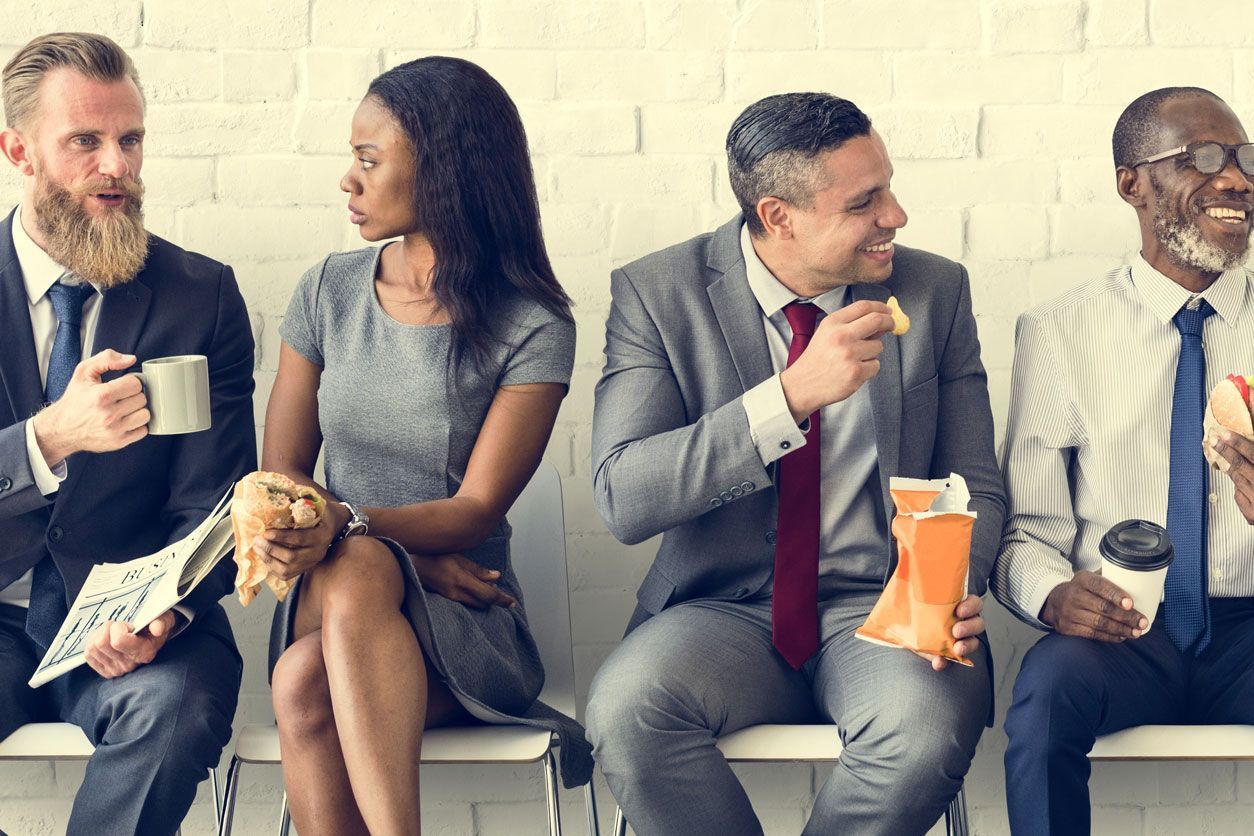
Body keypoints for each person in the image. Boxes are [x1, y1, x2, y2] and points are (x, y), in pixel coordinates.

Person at [585, 92, 1006, 836]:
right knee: (626, 712)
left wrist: (950, 585)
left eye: (890, 187)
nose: (896, 217)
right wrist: (789, 397)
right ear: (778, 216)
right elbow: (625, 494)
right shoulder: (658, 293)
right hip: (719, 611)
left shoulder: (935, 291)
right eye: (864, 202)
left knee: (920, 732)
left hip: (885, 608)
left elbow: (978, 482)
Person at [254, 56, 591, 835]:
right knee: (359, 569)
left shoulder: (533, 324)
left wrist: (355, 531)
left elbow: (475, 510)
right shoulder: (327, 291)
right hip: (330, 586)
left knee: (304, 683)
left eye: (369, 160)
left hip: (466, 610)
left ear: (441, 170)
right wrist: (374, 548)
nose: (348, 179)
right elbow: (281, 477)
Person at [0, 32, 256, 835]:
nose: (117, 166)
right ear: (18, 150)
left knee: (174, 711)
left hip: (131, 625)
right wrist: (47, 439)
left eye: (130, 139)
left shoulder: (199, 296)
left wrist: (161, 614)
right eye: (85, 141)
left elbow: (214, 508)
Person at [993, 86, 1254, 835]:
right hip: (1121, 634)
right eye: (1203, 158)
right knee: (1044, 699)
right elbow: (1028, 531)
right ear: (1131, 183)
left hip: (1249, 632)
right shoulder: (1058, 332)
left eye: (1245, 160)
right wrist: (1051, 596)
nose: (1236, 179)